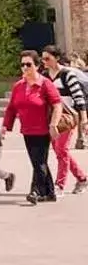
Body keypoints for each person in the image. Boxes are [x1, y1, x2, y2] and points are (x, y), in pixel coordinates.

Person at [3, 52, 62, 205]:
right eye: (22, 64)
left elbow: (57, 104)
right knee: (38, 162)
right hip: (27, 130)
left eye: (28, 64)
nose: (25, 68)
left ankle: (35, 191)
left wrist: (53, 124)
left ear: (37, 65)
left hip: (43, 130)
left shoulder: (45, 84)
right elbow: (11, 108)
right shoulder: (18, 86)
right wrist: (5, 126)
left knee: (38, 162)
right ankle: (49, 192)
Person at [40, 46, 88, 194]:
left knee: (61, 150)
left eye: (47, 58)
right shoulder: (44, 75)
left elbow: (79, 98)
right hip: (52, 117)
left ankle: (59, 184)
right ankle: (82, 178)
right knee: (60, 151)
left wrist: (84, 118)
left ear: (57, 58)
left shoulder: (67, 75)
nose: (44, 62)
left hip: (67, 117)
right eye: (43, 59)